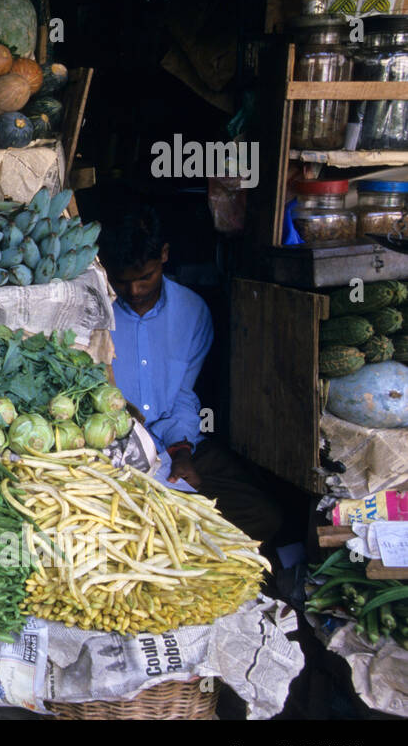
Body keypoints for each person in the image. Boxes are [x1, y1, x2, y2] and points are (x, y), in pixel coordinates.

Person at [98, 204, 285, 554]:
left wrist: (181, 450)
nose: (135, 290)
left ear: (164, 256)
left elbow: (184, 394)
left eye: (145, 277)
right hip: (113, 451)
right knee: (128, 529)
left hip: (178, 444)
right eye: (121, 281)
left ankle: (184, 548)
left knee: (263, 516)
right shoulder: (94, 313)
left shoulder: (193, 311)